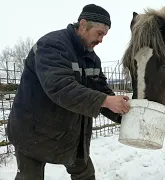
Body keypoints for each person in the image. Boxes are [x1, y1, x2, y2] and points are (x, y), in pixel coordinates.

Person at [6, 4, 130, 180]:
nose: (101, 40)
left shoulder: (92, 59)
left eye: (104, 35)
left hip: (70, 133)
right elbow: (60, 88)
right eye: (99, 33)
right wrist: (106, 100)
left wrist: (125, 114)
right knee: (29, 177)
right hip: (32, 131)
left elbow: (101, 90)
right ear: (83, 24)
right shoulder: (52, 45)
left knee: (86, 175)